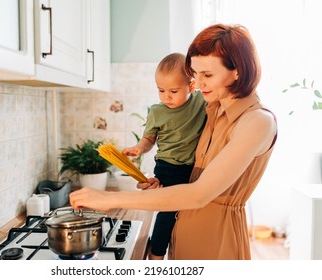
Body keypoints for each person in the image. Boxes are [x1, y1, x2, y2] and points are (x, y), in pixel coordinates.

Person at [70, 23, 278, 260]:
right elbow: (191, 179)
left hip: (216, 244)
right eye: (195, 74)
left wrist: (109, 198)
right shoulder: (212, 110)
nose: (198, 84)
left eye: (207, 75)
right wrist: (164, 187)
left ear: (237, 71)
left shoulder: (257, 121)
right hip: (180, 237)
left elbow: (200, 193)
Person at [122, 52, 206, 260]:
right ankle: (157, 252)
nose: (166, 96)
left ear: (191, 86)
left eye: (173, 91)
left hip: (193, 168)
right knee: (168, 211)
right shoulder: (157, 112)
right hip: (167, 167)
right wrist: (139, 148)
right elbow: (148, 139)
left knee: (187, 213)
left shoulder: (200, 101)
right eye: (161, 90)